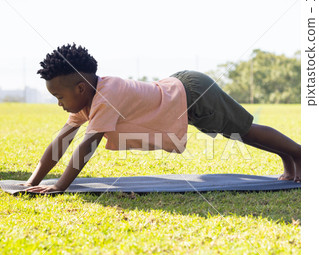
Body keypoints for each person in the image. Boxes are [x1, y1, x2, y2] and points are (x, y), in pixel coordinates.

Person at [26, 44, 301, 193]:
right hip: (180, 92)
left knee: (242, 131)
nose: (59, 104)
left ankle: (299, 155)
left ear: (80, 88)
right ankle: (290, 160)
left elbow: (87, 146)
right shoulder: (87, 100)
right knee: (239, 132)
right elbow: (62, 140)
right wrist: (32, 180)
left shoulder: (106, 95)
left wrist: (60, 186)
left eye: (59, 97)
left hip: (193, 94)